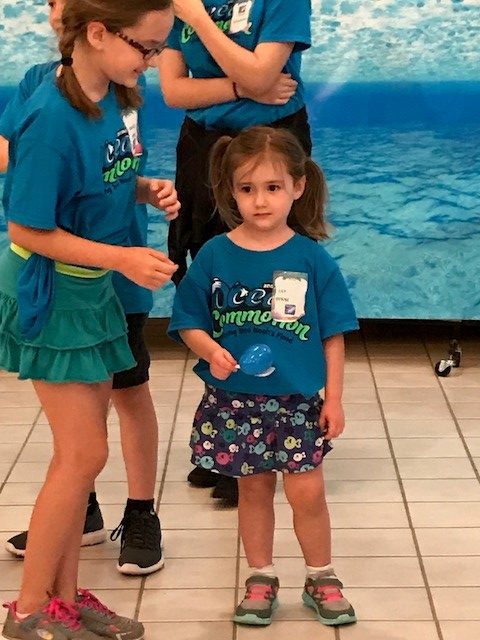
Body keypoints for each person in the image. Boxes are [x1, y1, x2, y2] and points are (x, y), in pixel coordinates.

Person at [0, 1, 177, 639]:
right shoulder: (52, 117)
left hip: (91, 287)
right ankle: (27, 611)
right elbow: (26, 228)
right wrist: (123, 258)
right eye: (146, 48)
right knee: (83, 454)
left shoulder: (113, 96)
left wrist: (142, 188)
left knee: (81, 457)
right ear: (97, 33)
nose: (152, 62)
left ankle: (66, 599)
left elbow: (99, 180)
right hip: (54, 293)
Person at [168, 126, 358, 627]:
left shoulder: (312, 259)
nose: (259, 200)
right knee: (252, 491)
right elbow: (187, 321)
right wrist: (210, 350)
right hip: (235, 402)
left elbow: (334, 336)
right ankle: (261, 576)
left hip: (297, 403)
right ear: (230, 191)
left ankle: (321, 576)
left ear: (298, 186)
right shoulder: (214, 255)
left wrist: (334, 399)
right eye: (247, 188)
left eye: (272, 187)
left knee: (307, 493)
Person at [158, 0, 313, 504]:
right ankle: (228, 433)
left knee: (271, 295)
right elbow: (174, 91)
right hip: (203, 146)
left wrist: (200, 20)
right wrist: (243, 87)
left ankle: (276, 432)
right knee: (214, 291)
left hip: (272, 145)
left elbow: (266, 72)